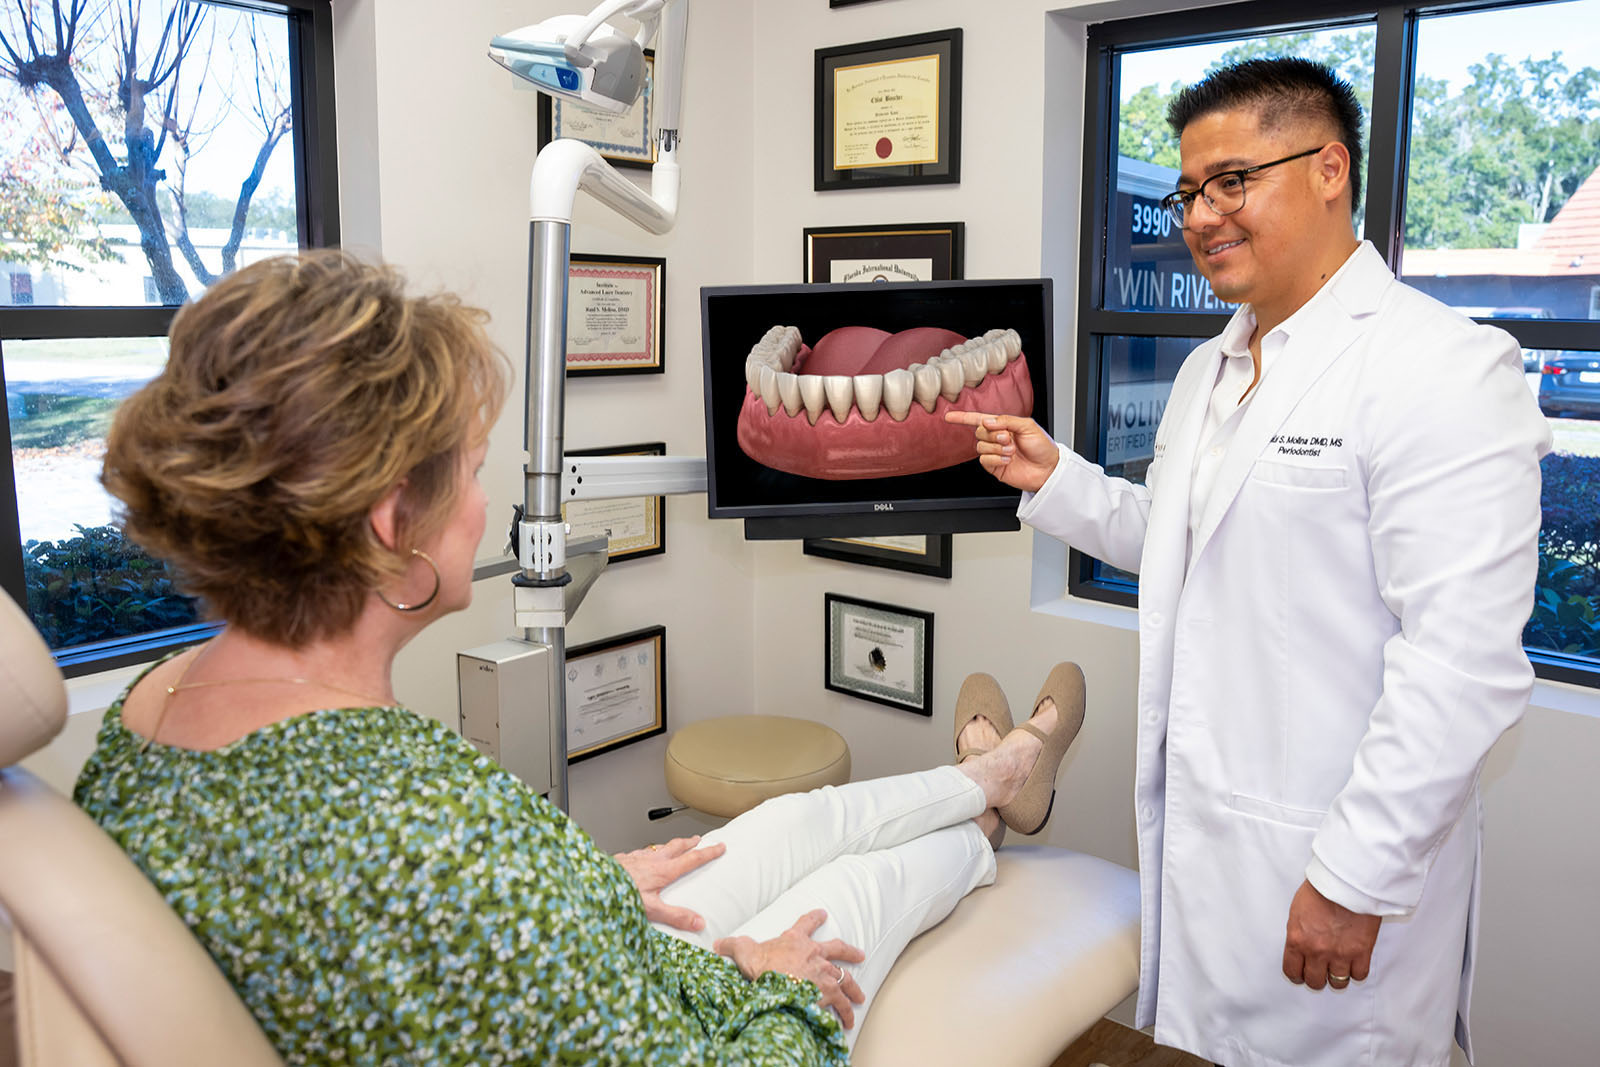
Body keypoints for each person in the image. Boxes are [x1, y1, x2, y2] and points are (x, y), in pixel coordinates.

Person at [73, 250, 1085, 1066]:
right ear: (392, 523)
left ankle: (988, 775)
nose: (484, 507)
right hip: (593, 996)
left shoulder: (143, 713)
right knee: (860, 893)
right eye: (473, 473)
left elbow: (424, 936)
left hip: (536, 964)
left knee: (787, 821)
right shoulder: (424, 826)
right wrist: (773, 980)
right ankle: (992, 808)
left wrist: (579, 887)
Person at [948, 58, 1550, 1067]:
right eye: (1188, 191)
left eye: (1232, 180)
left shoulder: (1437, 368)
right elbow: (1189, 548)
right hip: (1207, 855)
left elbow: (1460, 665)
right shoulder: (1209, 369)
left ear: (1327, 169)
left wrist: (1353, 879)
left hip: (1331, 866)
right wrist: (1060, 481)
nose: (1199, 214)